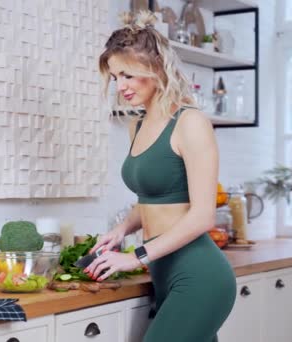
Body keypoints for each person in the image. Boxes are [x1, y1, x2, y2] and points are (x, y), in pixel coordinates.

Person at [85, 11, 236, 342]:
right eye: (115, 77)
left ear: (153, 68)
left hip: (199, 275)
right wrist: (120, 230)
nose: (120, 86)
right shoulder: (136, 126)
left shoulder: (190, 122)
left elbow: (203, 216)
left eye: (127, 74)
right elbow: (152, 198)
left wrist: (133, 256)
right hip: (162, 272)